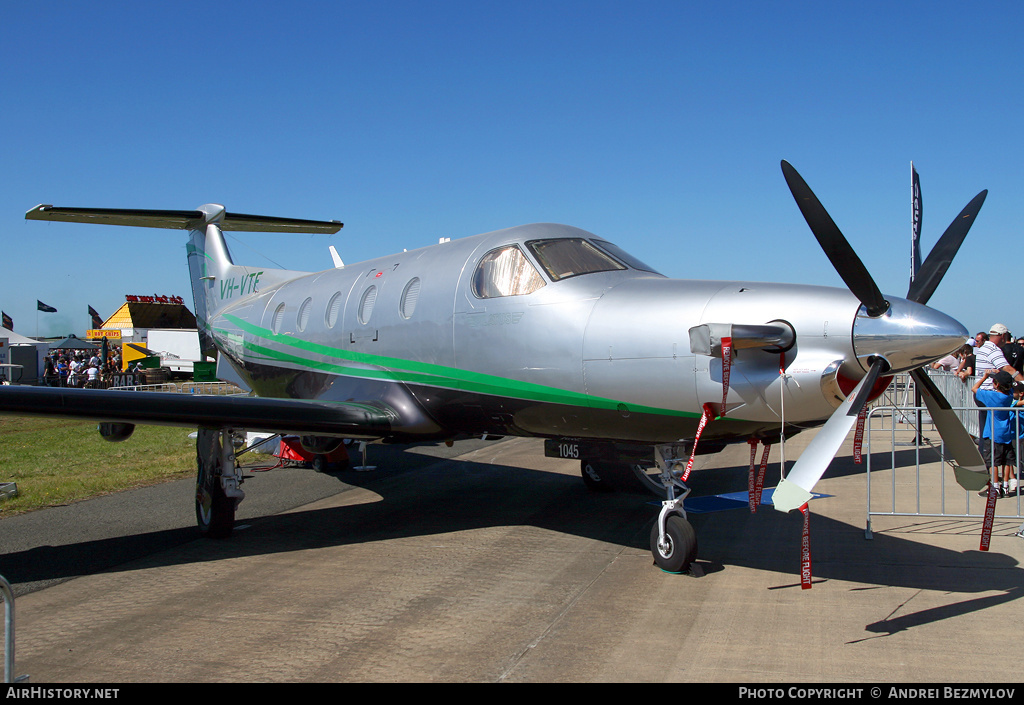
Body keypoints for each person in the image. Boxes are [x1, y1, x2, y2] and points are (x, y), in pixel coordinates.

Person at [973, 370, 1016, 497]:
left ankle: (995, 487)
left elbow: (974, 388)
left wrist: (985, 377)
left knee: (993, 462)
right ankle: (1006, 486)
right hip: (1006, 432)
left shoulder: (994, 397)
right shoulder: (1009, 396)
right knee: (1007, 461)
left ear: (996, 384)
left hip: (993, 433)